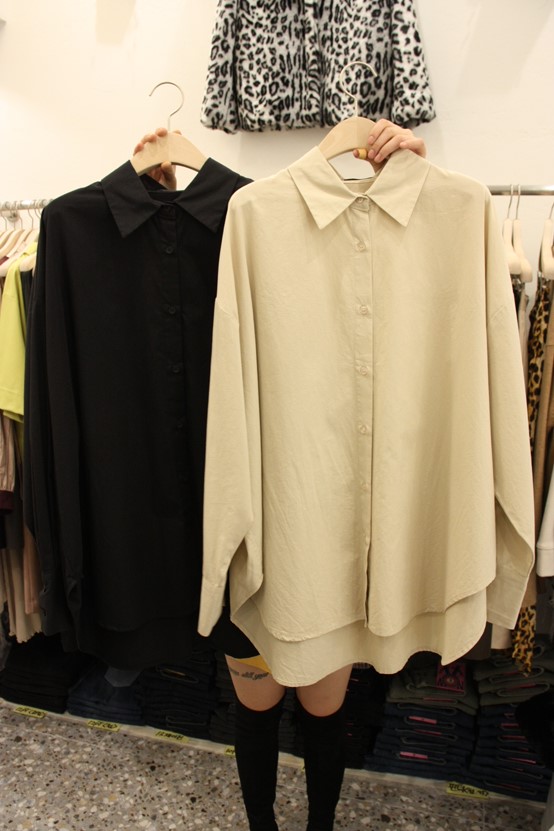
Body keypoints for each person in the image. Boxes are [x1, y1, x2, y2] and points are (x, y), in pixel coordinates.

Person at [133, 120, 427, 831]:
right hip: (252, 522)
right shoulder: (252, 213)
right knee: (261, 704)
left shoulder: (256, 211)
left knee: (320, 707)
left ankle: (317, 823)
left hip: (319, 530)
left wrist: (410, 180)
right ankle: (264, 823)